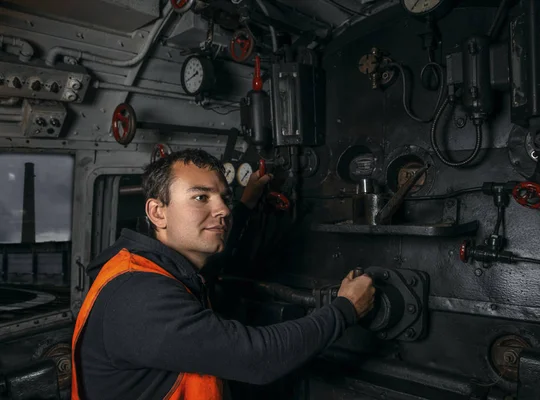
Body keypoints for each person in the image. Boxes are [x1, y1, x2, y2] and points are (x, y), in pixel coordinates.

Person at [71, 148, 375, 400]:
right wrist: (345, 309)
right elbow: (257, 358)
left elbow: (219, 259)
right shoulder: (138, 295)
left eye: (224, 198)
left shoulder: (158, 265)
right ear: (157, 212)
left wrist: (245, 204)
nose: (223, 210)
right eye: (201, 197)